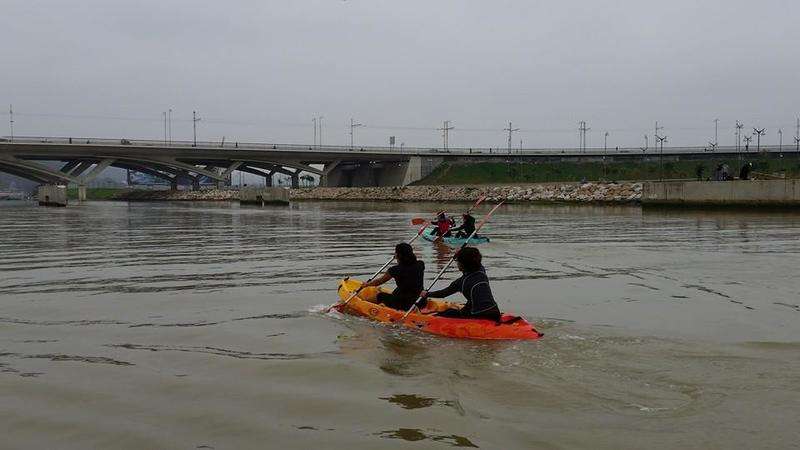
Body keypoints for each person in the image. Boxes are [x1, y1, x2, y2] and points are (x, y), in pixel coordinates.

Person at [420, 247, 501, 321]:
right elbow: (474, 257)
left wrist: (426, 294)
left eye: (458, 261)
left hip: (479, 315)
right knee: (466, 306)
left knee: (448, 312)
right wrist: (461, 252)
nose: (457, 263)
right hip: (494, 312)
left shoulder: (461, 282)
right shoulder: (481, 272)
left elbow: (443, 294)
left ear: (462, 264)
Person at [361, 243, 425, 311]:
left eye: (395, 252)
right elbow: (409, 266)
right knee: (398, 290)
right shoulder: (420, 264)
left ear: (399, 255)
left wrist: (367, 284)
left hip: (405, 304)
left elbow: (380, 281)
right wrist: (399, 257)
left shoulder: (394, 270)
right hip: (420, 301)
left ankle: (362, 303)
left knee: (380, 296)